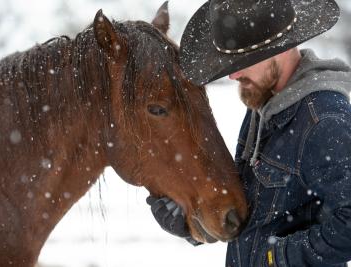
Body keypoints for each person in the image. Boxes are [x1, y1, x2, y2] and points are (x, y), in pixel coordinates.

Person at [146, 0, 351, 266]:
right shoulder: (263, 104)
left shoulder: (323, 119)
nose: (233, 74)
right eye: (231, 61)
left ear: (283, 47)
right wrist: (192, 220)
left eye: (245, 59)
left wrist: (276, 257)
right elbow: (258, 212)